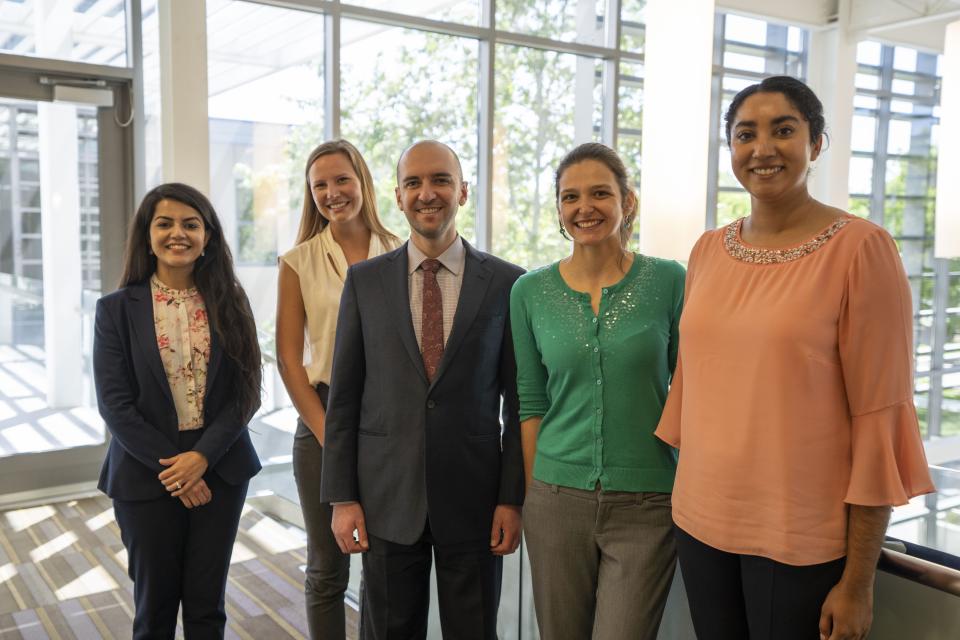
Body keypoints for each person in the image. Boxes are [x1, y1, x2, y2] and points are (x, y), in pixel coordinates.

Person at [655, 76, 935, 640]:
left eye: (783, 130)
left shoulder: (861, 249)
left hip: (799, 537)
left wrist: (858, 581)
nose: (762, 148)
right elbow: (697, 388)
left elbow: (878, 416)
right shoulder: (708, 249)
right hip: (700, 520)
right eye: (744, 133)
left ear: (816, 143)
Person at [320, 140, 525, 639]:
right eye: (413, 182)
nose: (427, 193)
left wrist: (511, 499)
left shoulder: (508, 282)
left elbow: (519, 405)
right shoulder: (364, 283)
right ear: (397, 194)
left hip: (475, 500)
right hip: (387, 497)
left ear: (463, 192)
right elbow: (344, 398)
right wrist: (342, 498)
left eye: (440, 180)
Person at [510, 142, 683, 640]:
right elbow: (531, 400)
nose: (584, 207)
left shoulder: (669, 281)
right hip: (554, 502)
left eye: (600, 193)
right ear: (560, 210)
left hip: (648, 504)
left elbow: (690, 390)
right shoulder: (530, 291)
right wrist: (533, 498)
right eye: (571, 197)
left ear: (628, 201)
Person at [93, 182, 262, 638]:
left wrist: (201, 458)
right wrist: (177, 469)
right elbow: (115, 403)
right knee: (155, 608)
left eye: (191, 224)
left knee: (208, 607)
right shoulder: (115, 310)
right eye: (164, 223)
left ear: (208, 236)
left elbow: (247, 391)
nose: (178, 234)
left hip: (220, 466)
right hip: (146, 472)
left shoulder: (231, 300)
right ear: (147, 234)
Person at [276, 139, 401, 639]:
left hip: (389, 420)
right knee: (328, 567)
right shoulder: (298, 261)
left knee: (384, 565)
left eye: (341, 180)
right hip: (322, 417)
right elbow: (288, 360)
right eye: (320, 185)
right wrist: (333, 436)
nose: (332, 192)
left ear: (363, 182)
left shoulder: (400, 249)